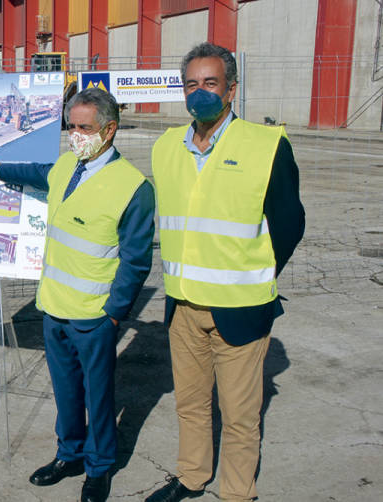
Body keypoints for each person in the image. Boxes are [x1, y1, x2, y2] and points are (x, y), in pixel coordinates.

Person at [145, 43, 304, 502]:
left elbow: (290, 223)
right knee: (191, 404)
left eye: (210, 83)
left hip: (241, 307)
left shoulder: (266, 145)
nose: (200, 92)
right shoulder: (165, 148)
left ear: (231, 89)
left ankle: (237, 493)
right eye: (191, 84)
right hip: (183, 306)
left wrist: (252, 271)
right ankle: (192, 477)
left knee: (239, 414)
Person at [0, 88, 155, 502]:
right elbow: (38, 172)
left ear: (109, 130)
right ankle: (70, 453)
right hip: (54, 308)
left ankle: (99, 467)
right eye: (71, 127)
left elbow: (136, 261)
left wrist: (114, 314)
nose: (75, 135)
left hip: (94, 316)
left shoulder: (133, 187)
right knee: (66, 391)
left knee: (98, 397)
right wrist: (0, 168)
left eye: (85, 127)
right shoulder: (67, 166)